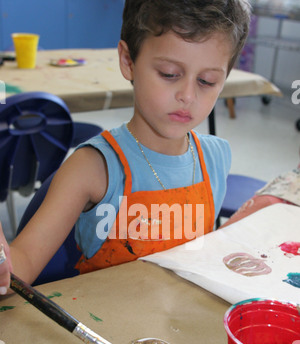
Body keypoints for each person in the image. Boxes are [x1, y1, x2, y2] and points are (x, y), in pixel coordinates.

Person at [0, 0, 251, 293]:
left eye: (207, 81)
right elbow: (23, 265)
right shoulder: (92, 168)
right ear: (128, 61)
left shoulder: (215, 158)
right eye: (170, 74)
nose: (187, 95)